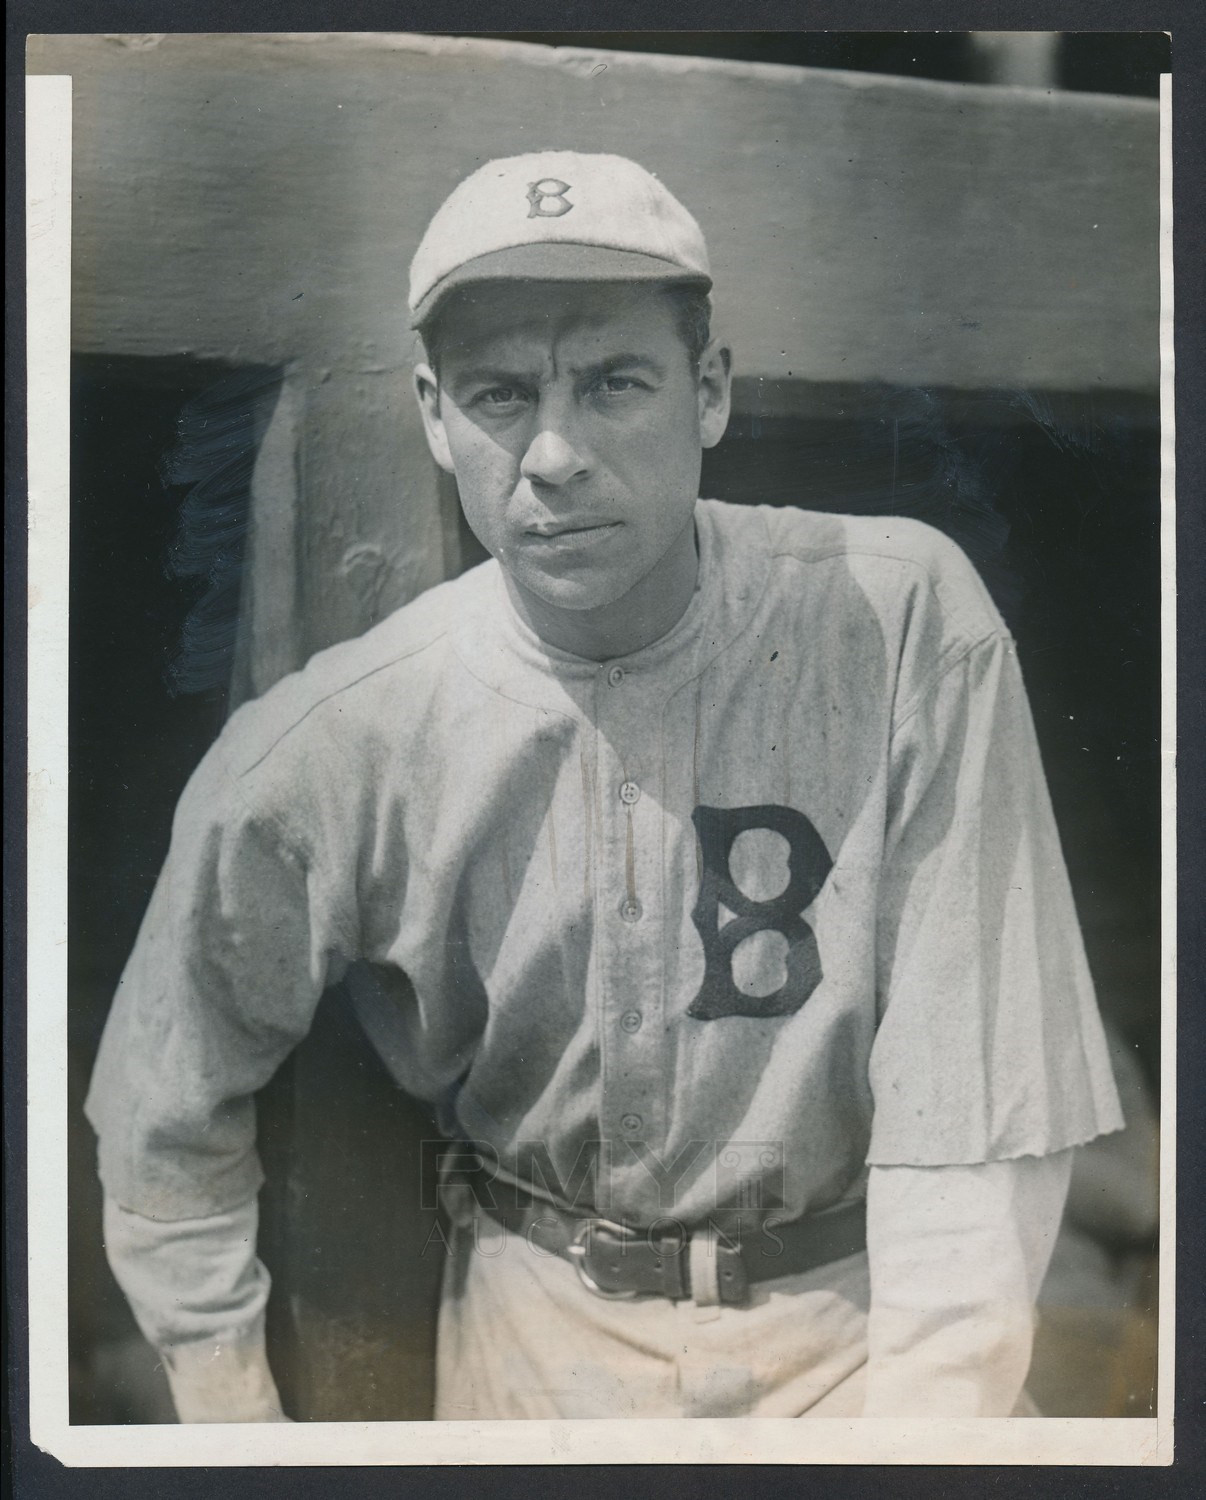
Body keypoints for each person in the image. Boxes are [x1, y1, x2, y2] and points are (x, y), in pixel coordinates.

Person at [85, 151, 1124, 1422]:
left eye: (616, 382)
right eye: (500, 394)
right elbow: (162, 1106)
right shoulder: (340, 737)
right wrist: (227, 1419)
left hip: (862, 1322)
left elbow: (972, 1128)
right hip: (541, 1337)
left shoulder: (899, 620)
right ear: (431, 415)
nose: (556, 453)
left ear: (712, 391)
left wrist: (921, 1444)